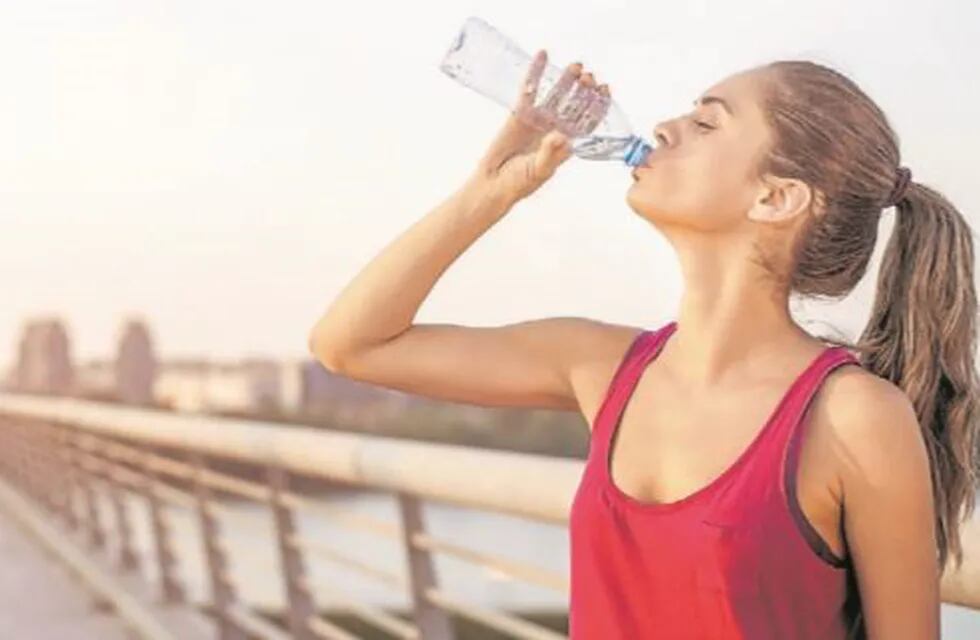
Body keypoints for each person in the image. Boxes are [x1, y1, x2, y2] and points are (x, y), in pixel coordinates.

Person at [308, 49, 978, 639]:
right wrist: (490, 193)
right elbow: (351, 345)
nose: (664, 127)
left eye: (709, 122)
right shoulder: (599, 367)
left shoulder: (854, 417)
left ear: (777, 198)